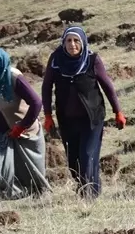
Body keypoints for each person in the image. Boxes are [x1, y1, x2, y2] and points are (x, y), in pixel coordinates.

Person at [42, 26, 126, 199]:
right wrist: (48, 114)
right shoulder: (56, 59)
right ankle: (88, 189)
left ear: (83, 42)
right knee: (74, 163)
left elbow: (107, 86)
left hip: (92, 119)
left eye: (76, 41)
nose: (72, 44)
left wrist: (118, 111)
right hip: (67, 119)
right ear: (63, 43)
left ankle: (89, 198)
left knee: (88, 157)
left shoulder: (92, 59)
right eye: (68, 41)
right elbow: (46, 86)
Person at [0, 47, 50, 202]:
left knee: (30, 169)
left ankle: (37, 193)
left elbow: (36, 102)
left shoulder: (14, 77)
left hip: (23, 129)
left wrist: (22, 126)